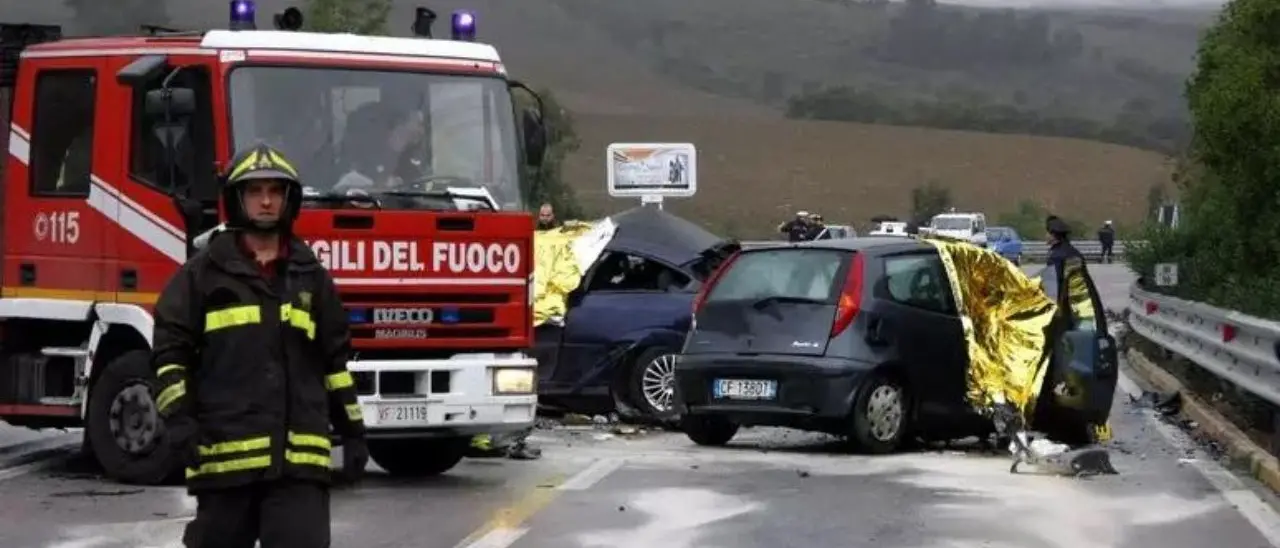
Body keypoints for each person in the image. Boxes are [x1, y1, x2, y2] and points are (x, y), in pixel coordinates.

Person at [152, 142, 369, 548]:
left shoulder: (312, 277)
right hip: (223, 463)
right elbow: (169, 358)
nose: (266, 201)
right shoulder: (201, 277)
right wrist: (180, 425)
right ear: (237, 199)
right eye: (255, 191)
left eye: (275, 190)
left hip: (298, 468)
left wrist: (353, 432)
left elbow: (335, 365)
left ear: (290, 199)